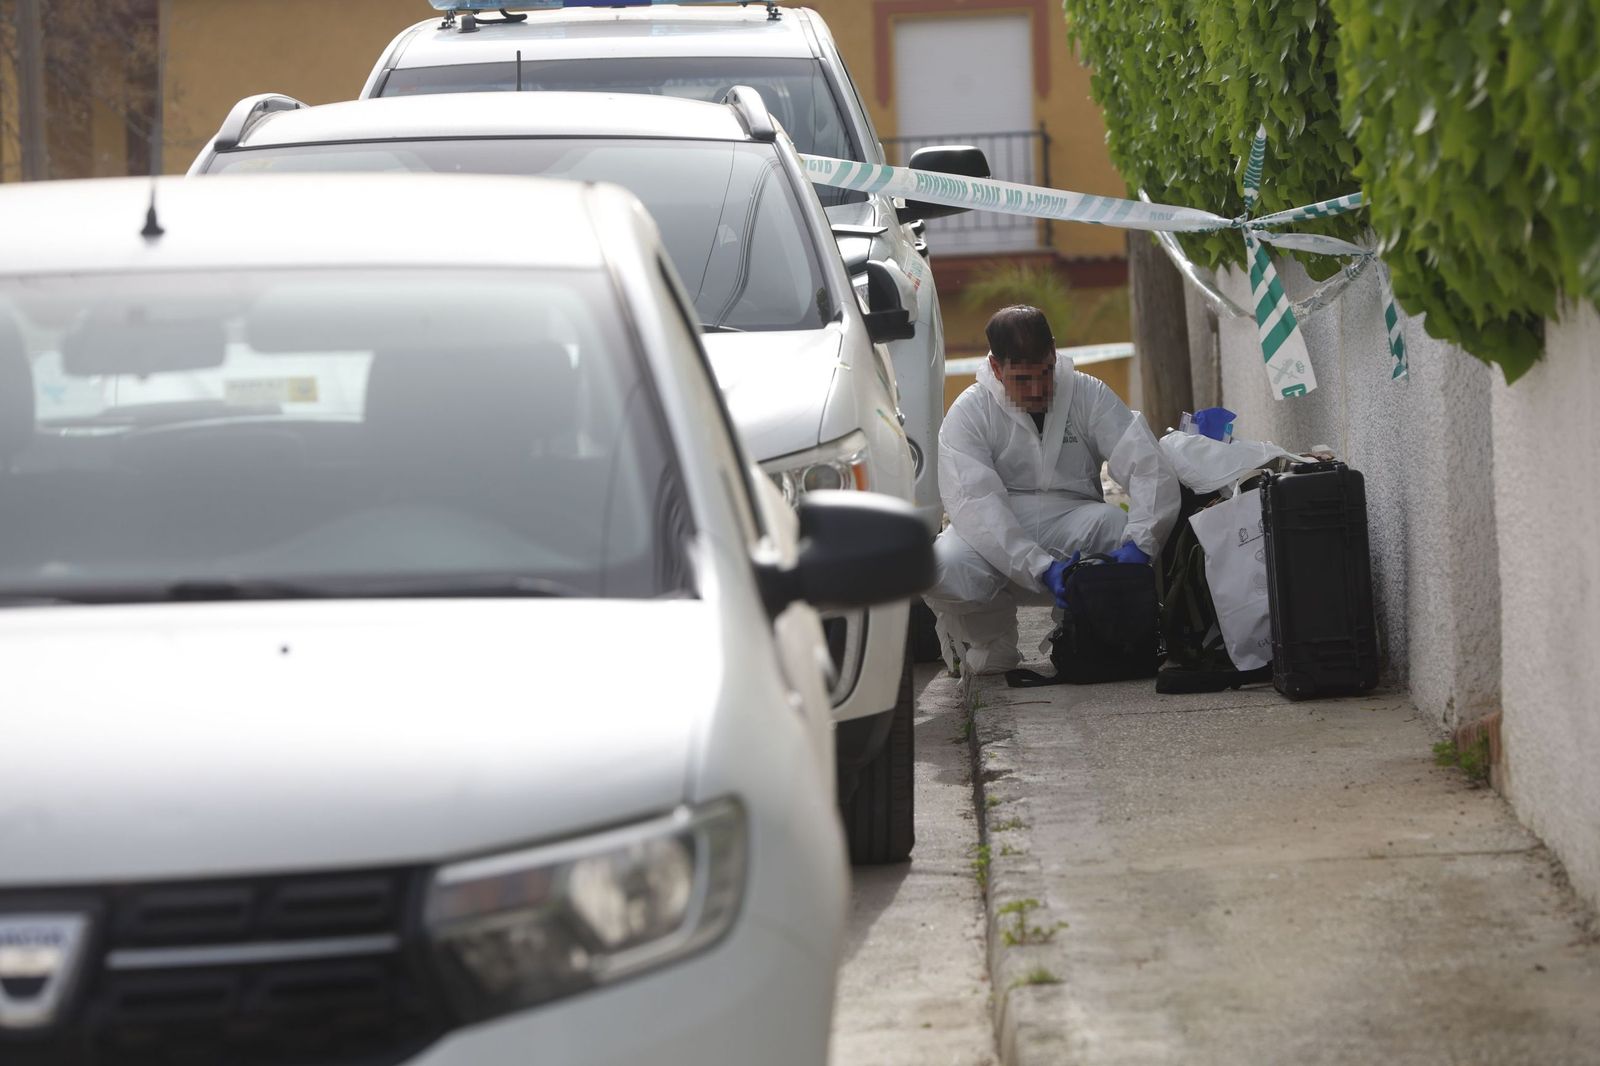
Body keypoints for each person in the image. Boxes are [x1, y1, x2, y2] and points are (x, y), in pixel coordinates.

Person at [924, 305, 1180, 674]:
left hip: (1074, 517)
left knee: (1115, 528)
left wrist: (1142, 543)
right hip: (998, 527)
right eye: (1022, 379)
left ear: (1054, 353)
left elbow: (1148, 467)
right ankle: (993, 642)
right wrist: (1039, 567)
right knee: (943, 566)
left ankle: (1086, 631)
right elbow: (978, 505)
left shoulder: (1087, 393)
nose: (1038, 389)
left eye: (1045, 373)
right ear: (996, 369)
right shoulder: (969, 412)